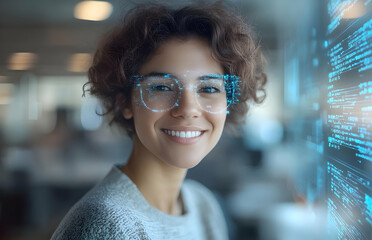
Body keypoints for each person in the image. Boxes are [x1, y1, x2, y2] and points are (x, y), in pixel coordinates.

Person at [51, 1, 266, 239]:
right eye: (162, 87)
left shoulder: (203, 206)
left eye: (209, 88)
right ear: (124, 102)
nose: (187, 109)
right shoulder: (105, 224)